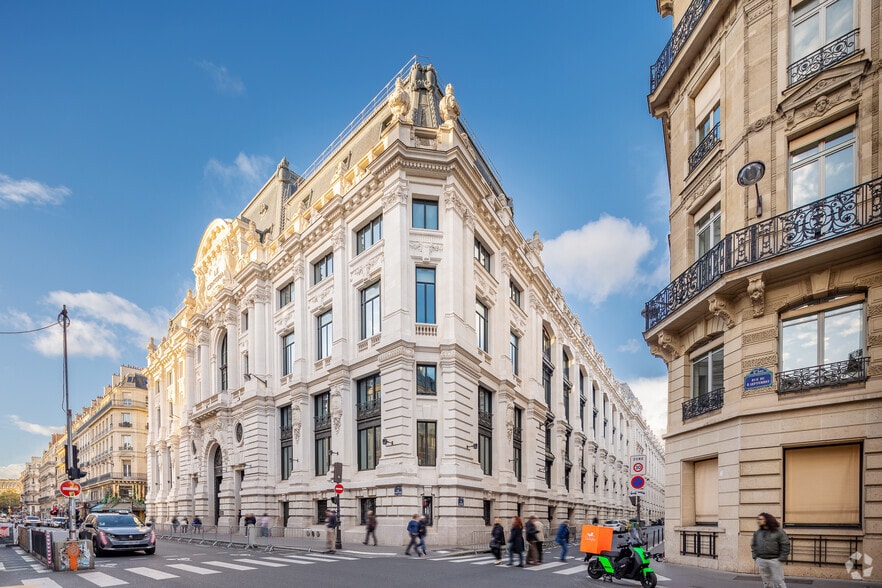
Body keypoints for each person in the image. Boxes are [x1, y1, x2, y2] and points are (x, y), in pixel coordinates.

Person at [751, 513, 790, 588]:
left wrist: (782, 558)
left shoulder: (778, 531)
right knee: (767, 582)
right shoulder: (757, 532)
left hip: (775, 560)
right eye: (758, 519)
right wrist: (756, 557)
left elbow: (785, 544)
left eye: (760, 519)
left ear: (767, 520)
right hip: (761, 560)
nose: (758, 521)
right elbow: (754, 545)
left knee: (779, 582)